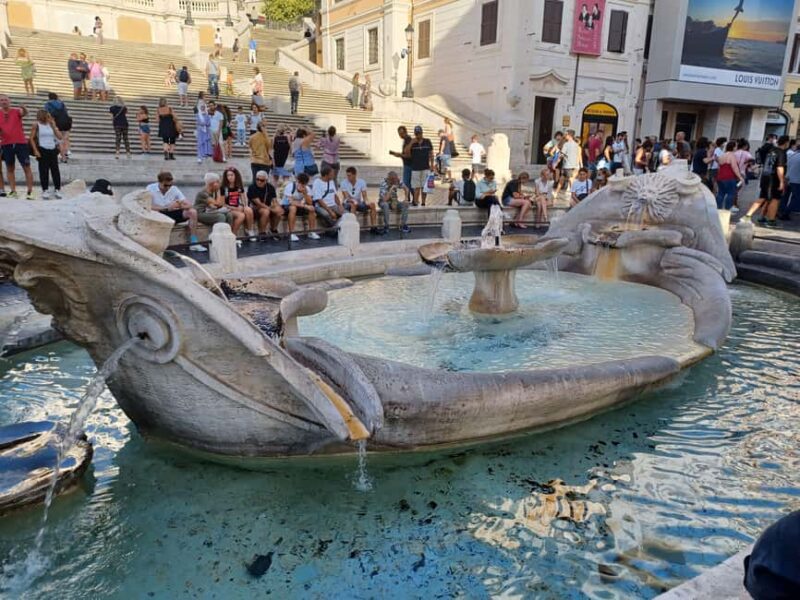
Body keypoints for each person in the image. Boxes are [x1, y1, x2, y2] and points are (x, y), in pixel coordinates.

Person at [146, 171, 206, 252]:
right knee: (156, 213)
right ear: (159, 182)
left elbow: (189, 205)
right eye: (165, 185)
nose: (168, 187)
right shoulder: (150, 188)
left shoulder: (174, 189)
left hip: (172, 213)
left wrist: (180, 205)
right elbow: (146, 206)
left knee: (192, 212)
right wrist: (166, 208)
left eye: (170, 185)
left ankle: (194, 242)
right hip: (158, 214)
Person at [745, 135, 789, 228]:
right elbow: (779, 167)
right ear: (786, 143)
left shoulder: (771, 150)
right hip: (774, 179)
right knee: (775, 199)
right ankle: (771, 220)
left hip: (765, 177)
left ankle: (754, 216)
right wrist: (781, 181)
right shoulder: (781, 153)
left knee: (764, 197)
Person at [0, 96, 34, 199]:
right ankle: (13, 191)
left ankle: (30, 192)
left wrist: (24, 109)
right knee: (10, 168)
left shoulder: (16, 111)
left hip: (20, 143)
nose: (3, 102)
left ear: (9, 101)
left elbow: (24, 113)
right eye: (1, 100)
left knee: (26, 167)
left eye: (5, 100)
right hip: (6, 144)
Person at [30, 109, 63, 199]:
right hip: (42, 149)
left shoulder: (52, 125)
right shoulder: (36, 125)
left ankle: (57, 189)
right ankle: (45, 190)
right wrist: (35, 150)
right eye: (48, 116)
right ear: (42, 116)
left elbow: (60, 137)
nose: (50, 117)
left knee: (55, 170)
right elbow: (31, 138)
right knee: (43, 171)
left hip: (52, 149)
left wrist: (54, 126)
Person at [281, 172, 320, 241]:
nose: (302, 185)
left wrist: (305, 193)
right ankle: (291, 233)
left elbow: (310, 202)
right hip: (287, 206)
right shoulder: (290, 186)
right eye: (300, 183)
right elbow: (291, 202)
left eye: (304, 184)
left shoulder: (307, 188)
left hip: (301, 206)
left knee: (312, 208)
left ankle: (311, 232)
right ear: (297, 181)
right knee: (293, 208)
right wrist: (305, 206)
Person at [220, 166, 257, 240]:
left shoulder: (239, 186)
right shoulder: (223, 188)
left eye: (231, 175)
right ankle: (233, 234)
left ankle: (249, 230)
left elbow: (244, 199)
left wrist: (244, 206)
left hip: (237, 207)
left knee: (248, 210)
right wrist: (235, 208)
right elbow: (222, 204)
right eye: (228, 175)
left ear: (236, 176)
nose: (229, 177)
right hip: (228, 208)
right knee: (241, 215)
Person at [340, 166, 379, 233]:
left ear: (355, 175)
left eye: (349, 176)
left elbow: (365, 196)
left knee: (372, 204)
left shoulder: (361, 182)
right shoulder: (343, 183)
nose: (348, 177)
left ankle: (374, 227)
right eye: (347, 175)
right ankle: (354, 229)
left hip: (358, 203)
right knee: (353, 204)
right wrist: (354, 201)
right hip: (347, 203)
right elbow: (347, 197)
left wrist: (367, 202)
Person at [247, 170, 281, 239]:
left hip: (267, 206)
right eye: (257, 179)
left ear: (266, 180)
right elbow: (258, 203)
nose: (259, 181)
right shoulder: (252, 187)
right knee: (266, 211)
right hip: (255, 208)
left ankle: (273, 229)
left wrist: (277, 207)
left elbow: (274, 200)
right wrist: (271, 209)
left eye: (262, 180)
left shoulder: (270, 187)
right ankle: (262, 232)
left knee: (278, 211)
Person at [407, 125, 434, 206]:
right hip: (415, 168)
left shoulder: (427, 141)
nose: (418, 135)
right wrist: (411, 143)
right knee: (416, 187)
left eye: (419, 133)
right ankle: (415, 201)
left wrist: (432, 165)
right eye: (416, 133)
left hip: (425, 167)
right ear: (415, 134)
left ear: (422, 133)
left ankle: (423, 202)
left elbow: (431, 154)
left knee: (424, 187)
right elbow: (407, 152)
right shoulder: (412, 142)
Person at [715, 141, 744, 211]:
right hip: (729, 177)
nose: (736, 147)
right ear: (733, 147)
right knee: (731, 192)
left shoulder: (722, 155)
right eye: (736, 146)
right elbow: (734, 167)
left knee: (721, 193)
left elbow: (719, 165)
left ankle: (718, 208)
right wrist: (740, 177)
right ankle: (728, 207)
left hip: (720, 176)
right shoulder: (731, 155)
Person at [45, 92, 72, 162]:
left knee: (59, 140)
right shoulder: (61, 103)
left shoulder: (48, 104)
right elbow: (66, 112)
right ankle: (67, 152)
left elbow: (48, 114)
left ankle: (63, 157)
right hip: (66, 122)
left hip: (56, 123)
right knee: (65, 138)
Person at [389, 125, 413, 198]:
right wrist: (397, 154)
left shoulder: (408, 140)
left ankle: (411, 198)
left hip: (409, 164)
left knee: (406, 183)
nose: (400, 135)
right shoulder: (406, 140)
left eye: (402, 133)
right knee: (408, 183)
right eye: (399, 134)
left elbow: (409, 155)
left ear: (405, 132)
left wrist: (400, 155)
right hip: (406, 164)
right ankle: (410, 198)